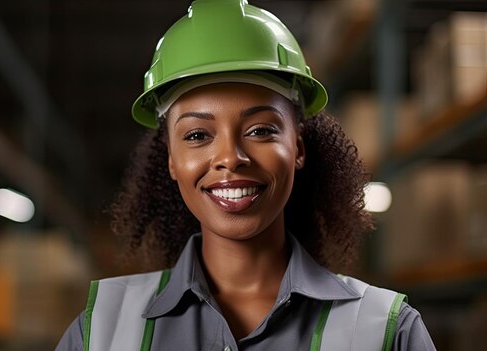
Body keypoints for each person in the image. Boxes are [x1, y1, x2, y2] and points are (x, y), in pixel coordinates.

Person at [55, 0, 436, 350]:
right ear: (171, 159)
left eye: (260, 130)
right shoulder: (99, 332)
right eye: (197, 135)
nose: (230, 158)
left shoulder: (388, 332)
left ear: (298, 148)